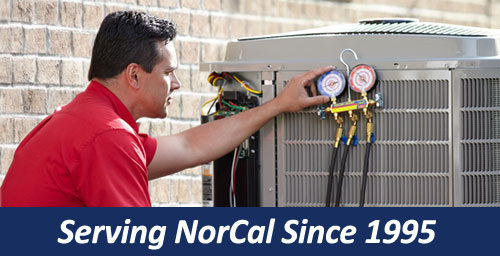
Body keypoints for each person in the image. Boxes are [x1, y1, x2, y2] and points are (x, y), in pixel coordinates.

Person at [0, 11, 332, 206]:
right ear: (134, 75)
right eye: (169, 73)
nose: (176, 84)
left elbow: (191, 146)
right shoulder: (107, 137)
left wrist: (277, 105)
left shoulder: (85, 119)